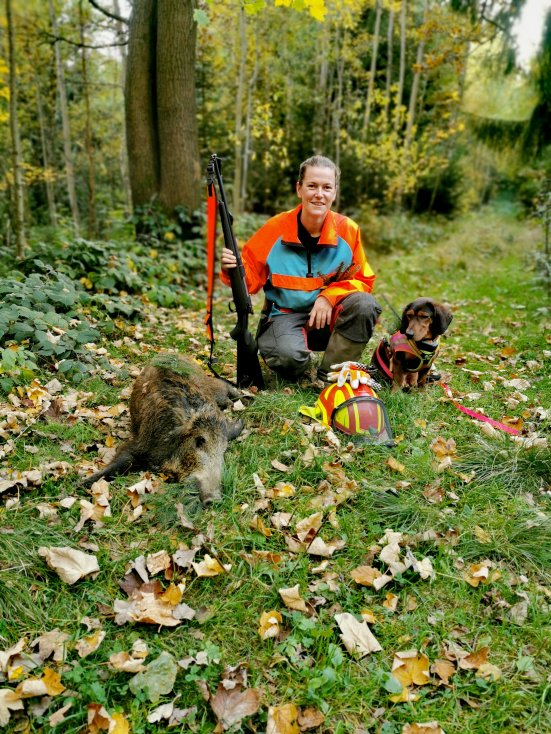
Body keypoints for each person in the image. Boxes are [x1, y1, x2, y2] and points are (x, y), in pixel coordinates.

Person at [219, 155, 381, 382]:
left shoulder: (348, 230)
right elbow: (250, 281)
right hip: (284, 316)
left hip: (329, 318)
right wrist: (232, 269)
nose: (319, 194)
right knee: (288, 359)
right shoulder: (274, 228)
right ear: (299, 189)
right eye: (312, 186)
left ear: (334, 192)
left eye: (327, 187)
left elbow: (364, 281)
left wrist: (329, 297)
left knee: (365, 305)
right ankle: (293, 353)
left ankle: (331, 375)